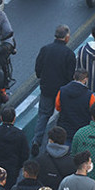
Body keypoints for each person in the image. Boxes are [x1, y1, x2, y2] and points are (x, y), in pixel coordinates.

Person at [33, 25, 75, 154]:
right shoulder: (69, 54)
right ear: (67, 37)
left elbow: (38, 70)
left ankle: (36, 141)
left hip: (46, 89)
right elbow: (70, 76)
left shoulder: (45, 49)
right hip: (61, 92)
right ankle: (55, 143)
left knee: (43, 115)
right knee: (62, 117)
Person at [54, 69, 95, 147]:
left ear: (74, 77)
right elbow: (93, 114)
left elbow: (57, 107)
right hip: (82, 131)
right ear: (85, 79)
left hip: (65, 128)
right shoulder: (90, 96)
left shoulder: (62, 91)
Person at [0, 108, 28, 189]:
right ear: (14, 118)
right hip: (13, 169)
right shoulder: (20, 134)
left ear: (1, 118)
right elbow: (25, 154)